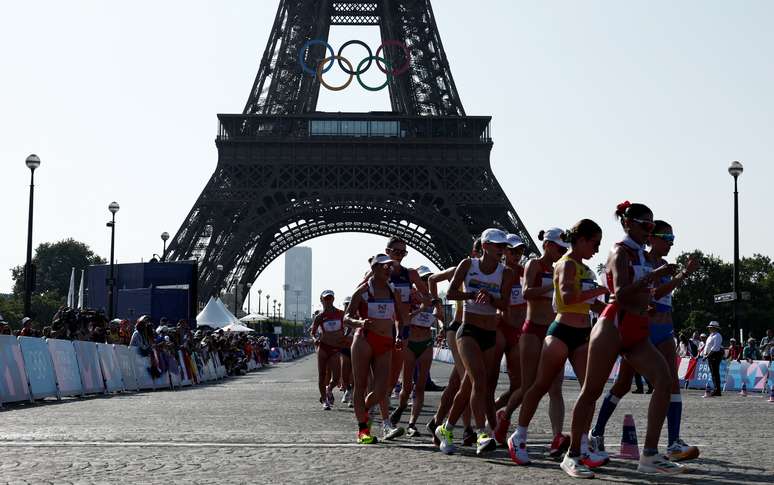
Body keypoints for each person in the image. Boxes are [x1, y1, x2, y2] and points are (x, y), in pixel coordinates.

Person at [563, 201, 682, 478]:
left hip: (637, 328)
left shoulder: (642, 255)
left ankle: (649, 454)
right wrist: (654, 276)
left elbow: (646, 293)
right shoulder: (620, 251)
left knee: (665, 380)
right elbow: (619, 294)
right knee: (591, 391)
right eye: (645, 225)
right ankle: (573, 454)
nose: (649, 230)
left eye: (652, 226)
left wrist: (654, 294)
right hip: (613, 326)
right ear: (628, 223)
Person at [590, 220, 701, 462]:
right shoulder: (645, 262)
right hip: (644, 328)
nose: (671, 244)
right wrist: (682, 274)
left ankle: (673, 442)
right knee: (623, 383)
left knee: (672, 382)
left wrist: (679, 274)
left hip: (665, 327)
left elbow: (664, 296)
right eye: (667, 239)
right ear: (652, 238)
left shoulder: (662, 264)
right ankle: (596, 432)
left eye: (673, 239)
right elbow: (654, 293)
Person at [508, 220, 609, 467]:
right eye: (595, 243)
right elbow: (567, 297)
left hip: (582, 333)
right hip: (562, 331)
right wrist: (597, 292)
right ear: (582, 240)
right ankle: (519, 436)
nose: (597, 249)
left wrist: (615, 305)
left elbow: (591, 304)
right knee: (540, 385)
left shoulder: (585, 269)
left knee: (591, 390)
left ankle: (582, 445)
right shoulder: (566, 265)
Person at [434, 228, 515, 456]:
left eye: (504, 247)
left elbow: (505, 305)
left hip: (489, 333)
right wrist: (472, 295)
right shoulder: (468, 265)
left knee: (470, 385)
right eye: (498, 246)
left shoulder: (506, 273)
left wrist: (490, 298)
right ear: (485, 245)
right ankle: (481, 433)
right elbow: (450, 293)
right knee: (479, 380)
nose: (502, 250)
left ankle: (446, 428)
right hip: (468, 330)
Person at [497, 227, 569, 456]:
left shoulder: (561, 266)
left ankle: (557, 436)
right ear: (547, 245)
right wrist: (553, 285)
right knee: (528, 386)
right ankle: (505, 417)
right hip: (532, 330)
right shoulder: (534, 265)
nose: (562, 251)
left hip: (553, 330)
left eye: (564, 248)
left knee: (555, 388)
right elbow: (527, 292)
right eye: (559, 247)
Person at [345, 253, 409, 444]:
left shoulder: (393, 291)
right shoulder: (362, 291)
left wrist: (399, 334)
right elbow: (346, 318)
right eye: (384, 266)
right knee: (361, 386)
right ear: (374, 269)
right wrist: (360, 322)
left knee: (382, 390)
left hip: (385, 342)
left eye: (390, 266)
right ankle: (363, 430)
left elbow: (400, 318)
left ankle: (362, 412)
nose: (388, 269)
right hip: (364, 340)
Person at [426, 239, 480, 447]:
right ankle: (467, 429)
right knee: (468, 379)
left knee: (456, 383)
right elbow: (432, 279)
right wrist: (436, 304)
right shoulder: (462, 268)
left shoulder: (494, 271)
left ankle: (437, 421)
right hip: (459, 328)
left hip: (477, 329)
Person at [390, 266, 439, 437]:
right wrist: (420, 308)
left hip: (425, 343)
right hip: (410, 342)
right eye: (423, 278)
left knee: (420, 386)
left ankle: (412, 423)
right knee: (407, 384)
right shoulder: (408, 296)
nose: (425, 282)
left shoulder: (432, 297)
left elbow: (439, 316)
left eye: (428, 279)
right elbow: (403, 318)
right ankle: (402, 406)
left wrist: (435, 307)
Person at [491, 234, 528, 444]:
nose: (517, 255)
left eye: (520, 251)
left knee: (520, 385)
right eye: (513, 251)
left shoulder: (526, 273)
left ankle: (496, 412)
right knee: (490, 380)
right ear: (504, 251)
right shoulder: (497, 273)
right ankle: (484, 420)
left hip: (518, 332)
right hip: (499, 329)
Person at [310, 290, 348, 410]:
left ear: (333, 299)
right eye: (326, 299)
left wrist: (345, 337)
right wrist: (315, 338)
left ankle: (328, 389)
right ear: (321, 300)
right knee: (322, 375)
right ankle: (325, 401)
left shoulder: (341, 313)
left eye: (330, 298)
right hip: (324, 347)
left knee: (336, 378)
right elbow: (313, 332)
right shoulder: (320, 317)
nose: (328, 300)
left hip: (335, 348)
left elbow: (349, 326)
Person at [701, 321, 724, 396]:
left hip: (715, 355)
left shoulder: (717, 336)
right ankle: (716, 389)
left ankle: (717, 390)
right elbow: (707, 346)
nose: (709, 329)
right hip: (710, 355)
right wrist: (704, 354)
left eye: (711, 327)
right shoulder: (710, 336)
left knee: (715, 373)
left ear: (714, 328)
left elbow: (715, 348)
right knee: (713, 373)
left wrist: (707, 356)